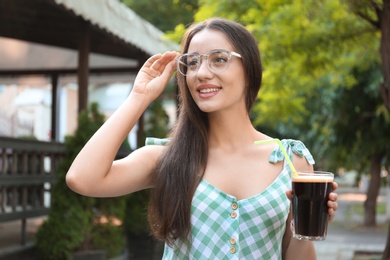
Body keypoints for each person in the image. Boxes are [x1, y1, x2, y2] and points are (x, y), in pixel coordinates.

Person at [66, 17, 338, 259]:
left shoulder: (291, 161)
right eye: (192, 62)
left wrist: (307, 227)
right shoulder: (167, 158)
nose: (201, 72)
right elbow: (82, 178)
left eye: (219, 58)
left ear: (249, 69)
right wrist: (140, 97)